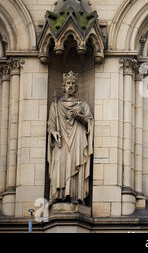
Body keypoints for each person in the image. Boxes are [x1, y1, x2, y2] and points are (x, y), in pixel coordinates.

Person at [47, 71, 94, 205]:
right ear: (64, 86)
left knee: (75, 163)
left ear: (76, 87)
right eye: (68, 83)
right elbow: (51, 124)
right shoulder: (56, 105)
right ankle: (58, 196)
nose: (71, 86)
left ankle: (76, 196)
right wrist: (53, 132)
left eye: (73, 83)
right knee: (59, 163)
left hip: (77, 139)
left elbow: (89, 122)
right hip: (60, 140)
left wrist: (78, 116)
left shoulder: (82, 104)